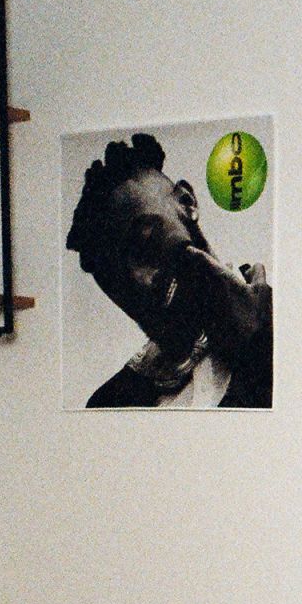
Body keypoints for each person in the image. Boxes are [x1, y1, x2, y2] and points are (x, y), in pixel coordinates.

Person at [66, 132, 272, 409]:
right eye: (117, 280)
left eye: (145, 243)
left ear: (186, 202)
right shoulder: (113, 401)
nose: (142, 280)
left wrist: (260, 340)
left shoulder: (288, 322)